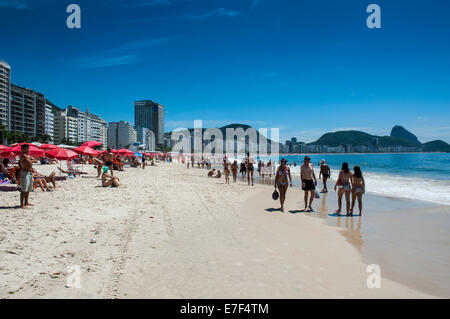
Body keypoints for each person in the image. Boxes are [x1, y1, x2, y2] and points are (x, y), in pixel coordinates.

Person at [19, 144, 35, 208]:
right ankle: (22, 204)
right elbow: (30, 162)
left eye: (28, 149)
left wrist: (30, 159)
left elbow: (34, 160)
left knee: (28, 188)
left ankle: (26, 202)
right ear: (22, 149)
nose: (27, 150)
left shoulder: (27, 156)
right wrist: (30, 159)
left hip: (29, 173)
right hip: (25, 173)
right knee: (24, 189)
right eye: (26, 149)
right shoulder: (23, 156)